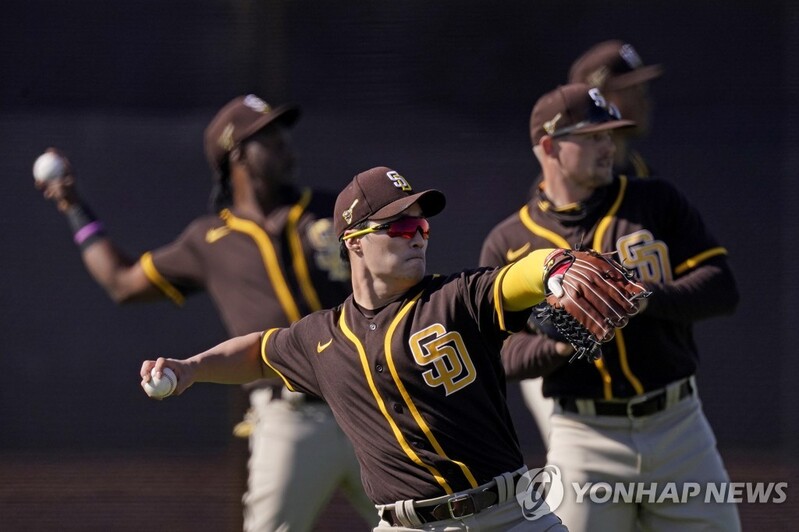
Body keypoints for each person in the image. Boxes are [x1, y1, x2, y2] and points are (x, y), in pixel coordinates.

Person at [139, 165, 647, 531]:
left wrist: (556, 266)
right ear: (354, 241)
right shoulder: (322, 336)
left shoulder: (455, 298)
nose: (417, 237)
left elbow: (516, 277)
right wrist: (191, 368)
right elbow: (258, 352)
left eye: (422, 227)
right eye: (400, 227)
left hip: (509, 518)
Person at [35, 94, 377, 531]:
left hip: (369, 402)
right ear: (237, 154)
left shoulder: (333, 212)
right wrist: (72, 206)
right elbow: (120, 282)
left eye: (282, 134)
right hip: (291, 418)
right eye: (268, 138)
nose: (285, 146)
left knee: (422, 520)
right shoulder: (209, 240)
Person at [480, 83, 741, 531]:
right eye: (593, 136)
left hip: (678, 426)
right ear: (549, 146)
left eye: (610, 134)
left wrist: (641, 297)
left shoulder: (653, 201)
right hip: (584, 437)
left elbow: (721, 288)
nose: (608, 145)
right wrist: (559, 344)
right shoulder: (509, 242)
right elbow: (495, 355)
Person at [513, 40, 665, 447]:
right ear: (600, 95)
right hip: (569, 373)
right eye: (631, 87)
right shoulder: (563, 191)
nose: (644, 98)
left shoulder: (640, 175)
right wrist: (559, 324)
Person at [569, 39, 663, 178]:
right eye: (631, 90)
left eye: (643, 89)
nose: (644, 101)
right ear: (597, 98)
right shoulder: (565, 188)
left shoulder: (647, 178)